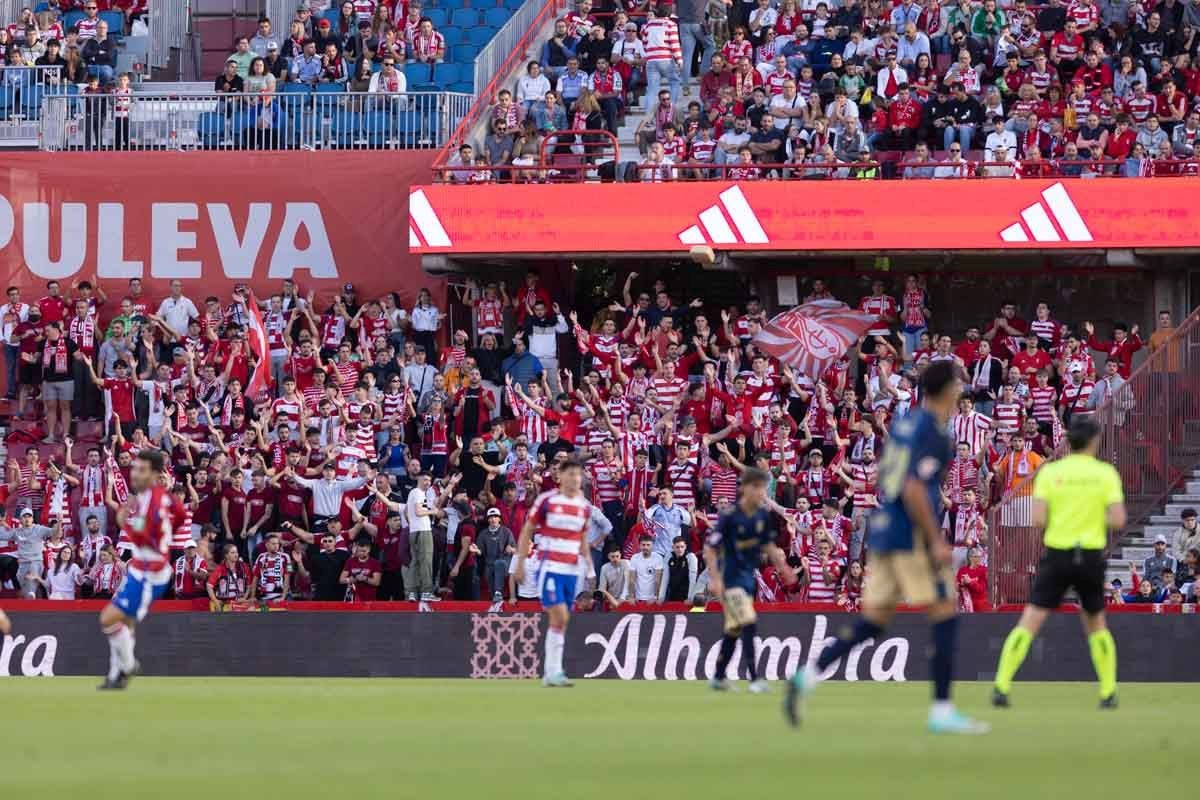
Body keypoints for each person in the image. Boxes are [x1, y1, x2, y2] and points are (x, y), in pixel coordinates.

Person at [786, 360, 990, 734]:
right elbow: (913, 487)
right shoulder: (934, 433)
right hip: (909, 536)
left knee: (873, 621)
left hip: (885, 534)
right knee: (945, 612)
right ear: (945, 390)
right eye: (958, 385)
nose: (962, 391)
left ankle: (808, 675)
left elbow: (889, 476)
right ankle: (942, 710)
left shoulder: (904, 424)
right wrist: (934, 542)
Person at [992, 418, 1125, 709]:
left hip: (1057, 553)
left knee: (1031, 619)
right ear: (1093, 441)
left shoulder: (1051, 472)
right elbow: (1117, 519)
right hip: (1089, 554)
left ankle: (1001, 685)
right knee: (1096, 624)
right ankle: (1108, 691)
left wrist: (1064, 519)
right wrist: (1089, 519)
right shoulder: (1105, 474)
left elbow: (1038, 519)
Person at [97, 448, 187, 690]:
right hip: (140, 568)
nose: (135, 472)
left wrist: (125, 520)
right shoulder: (160, 496)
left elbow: (144, 535)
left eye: (141, 469)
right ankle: (117, 674)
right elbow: (179, 514)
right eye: (135, 467)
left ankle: (127, 665)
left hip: (150, 572)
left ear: (154, 473)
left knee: (108, 619)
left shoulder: (153, 501)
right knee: (124, 624)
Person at [704, 467, 797, 693]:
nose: (760, 492)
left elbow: (768, 545)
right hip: (730, 579)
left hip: (748, 579)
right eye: (756, 487)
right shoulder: (729, 516)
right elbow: (710, 549)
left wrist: (784, 568)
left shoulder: (762, 516)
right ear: (745, 488)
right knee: (748, 621)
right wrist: (715, 579)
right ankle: (755, 679)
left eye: (763, 488)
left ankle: (718, 676)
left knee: (734, 629)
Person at [513, 456, 591, 687]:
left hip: (571, 569)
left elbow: (583, 537)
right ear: (561, 477)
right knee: (560, 615)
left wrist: (589, 566)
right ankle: (554, 671)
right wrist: (519, 562)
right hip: (549, 566)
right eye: (571, 474)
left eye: (579, 475)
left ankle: (551, 673)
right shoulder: (547, 501)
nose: (575, 479)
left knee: (561, 621)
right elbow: (527, 530)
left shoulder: (583, 507)